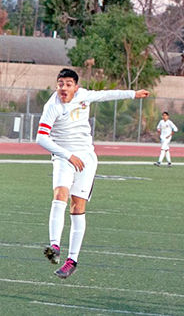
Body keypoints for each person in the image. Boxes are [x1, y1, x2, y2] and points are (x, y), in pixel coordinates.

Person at [37, 68, 149, 279]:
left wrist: (133, 93)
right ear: (56, 85)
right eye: (60, 84)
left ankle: (72, 260)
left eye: (68, 84)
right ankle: (54, 245)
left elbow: (106, 94)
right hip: (64, 157)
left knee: (78, 207)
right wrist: (68, 155)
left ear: (76, 87)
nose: (64, 88)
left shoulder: (83, 95)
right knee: (60, 194)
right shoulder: (52, 106)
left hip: (86, 159)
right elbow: (41, 138)